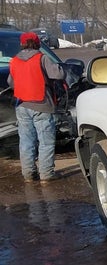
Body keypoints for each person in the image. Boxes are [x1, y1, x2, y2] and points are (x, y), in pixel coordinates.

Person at [8, 31, 64, 184]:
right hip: (41, 105)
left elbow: (11, 83)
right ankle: (46, 175)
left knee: (26, 141)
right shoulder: (42, 58)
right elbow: (59, 75)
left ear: (22, 44)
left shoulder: (14, 61)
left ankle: (28, 175)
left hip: (21, 105)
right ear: (37, 43)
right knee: (45, 142)